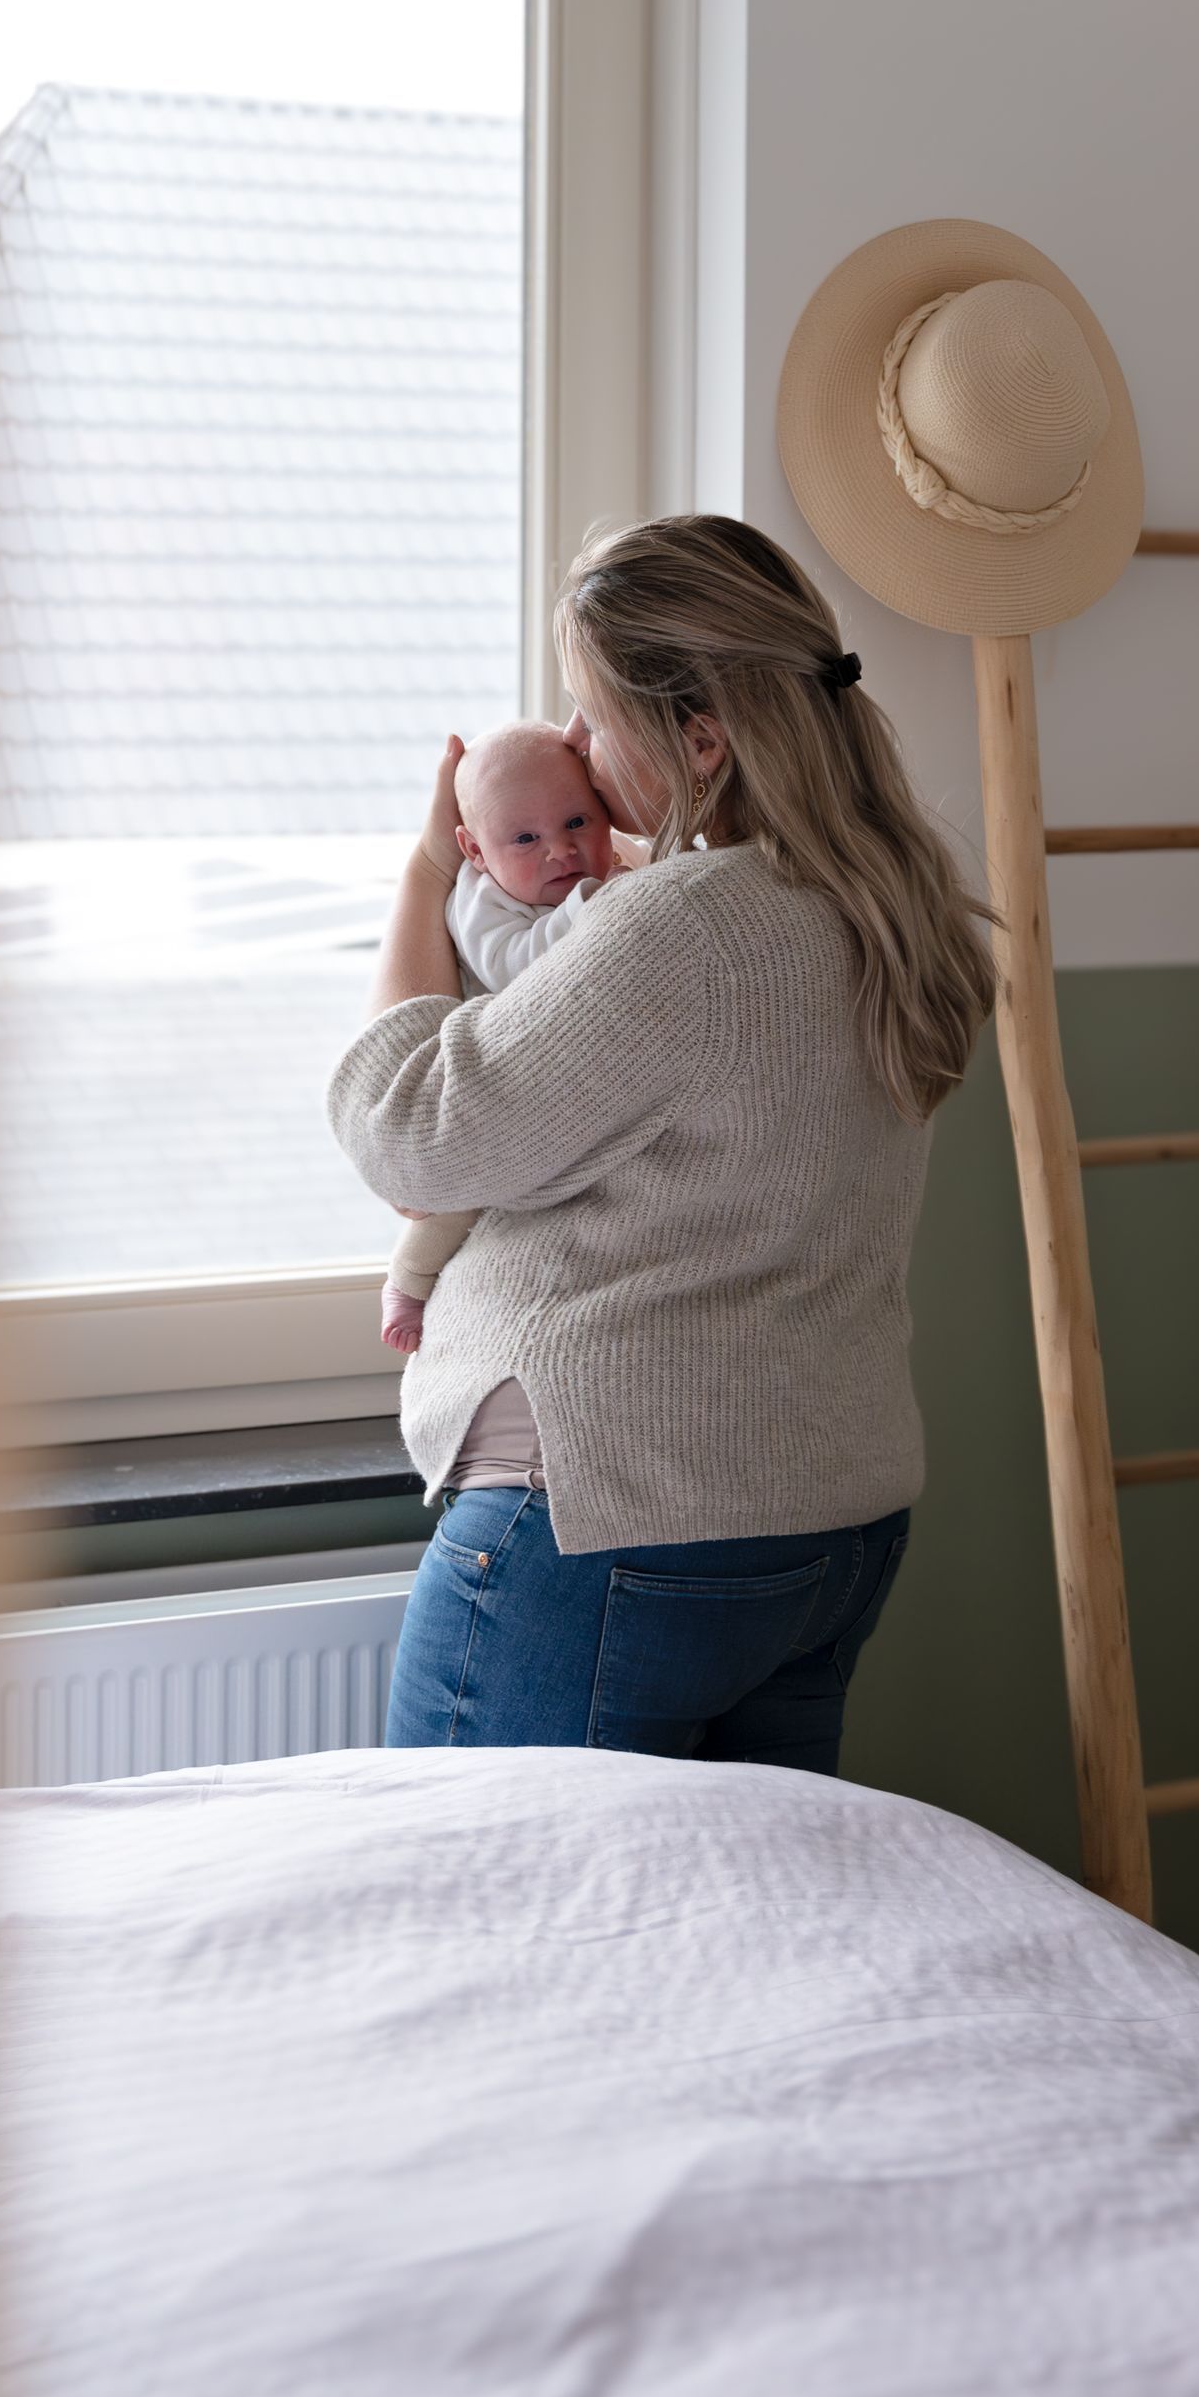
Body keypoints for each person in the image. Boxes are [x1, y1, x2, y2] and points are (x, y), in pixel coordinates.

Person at [328, 513, 995, 1773]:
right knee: (724, 1944)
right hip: (828, 1525)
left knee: (500, 1915)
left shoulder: (683, 930)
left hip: (614, 1521)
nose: (574, 746)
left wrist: (429, 874)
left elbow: (413, 1133)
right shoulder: (882, 897)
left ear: (699, 736)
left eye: (592, 715)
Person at [379, 722, 619, 1354]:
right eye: (525, 838)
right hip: (483, 1081)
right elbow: (516, 963)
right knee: (460, 1202)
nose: (560, 852)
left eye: (577, 823)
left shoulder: (594, 881)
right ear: (475, 851)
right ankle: (408, 1279)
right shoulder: (480, 901)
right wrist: (591, 906)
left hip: (544, 1088)